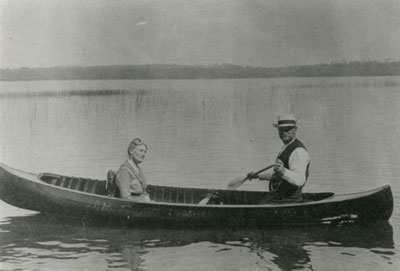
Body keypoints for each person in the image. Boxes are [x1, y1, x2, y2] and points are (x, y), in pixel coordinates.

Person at [248, 114, 310, 202]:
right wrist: (258, 175)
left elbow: (300, 180)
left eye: (288, 129)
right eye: (281, 129)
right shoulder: (286, 147)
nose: (284, 132)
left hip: (289, 201)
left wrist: (283, 171)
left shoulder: (298, 151)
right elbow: (278, 177)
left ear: (295, 130)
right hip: (279, 197)